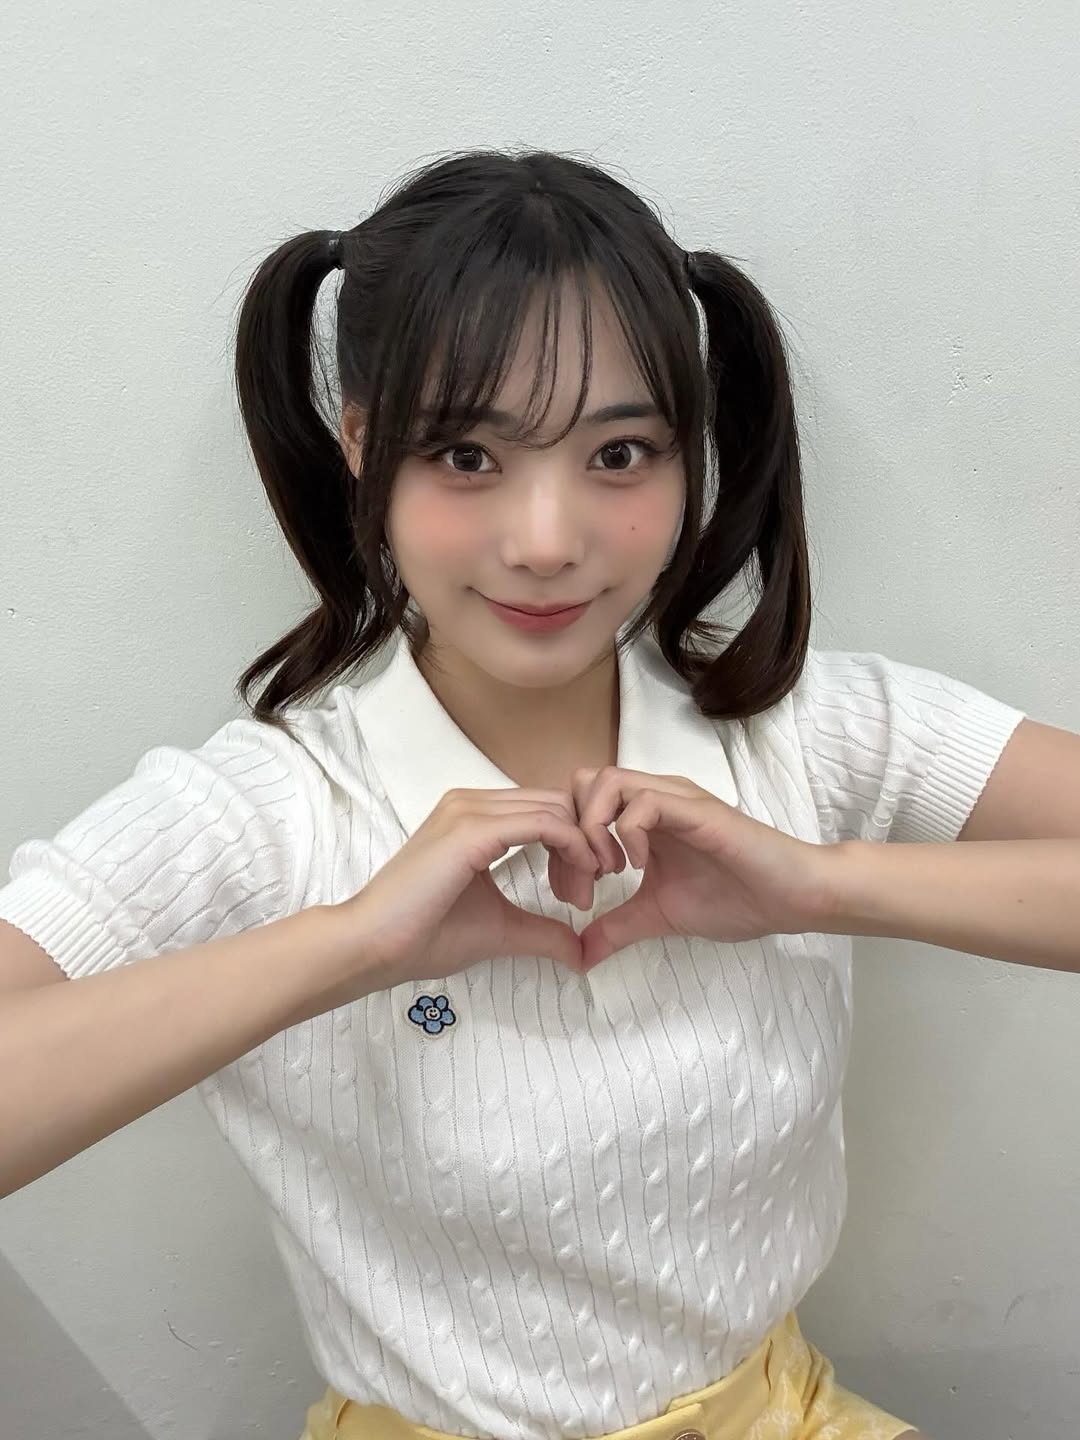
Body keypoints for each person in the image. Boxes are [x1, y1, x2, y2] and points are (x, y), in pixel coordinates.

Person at [1, 148, 1077, 1440]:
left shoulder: (794, 731)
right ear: (363, 447)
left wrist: (821, 881)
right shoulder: (267, 812)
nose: (549, 540)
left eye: (620, 453)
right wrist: (350, 946)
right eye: (467, 454)